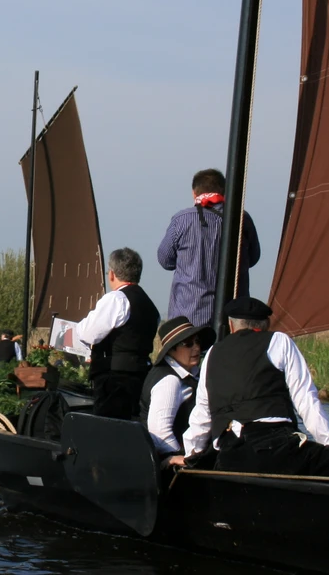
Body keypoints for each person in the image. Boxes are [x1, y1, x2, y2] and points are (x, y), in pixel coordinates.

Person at [173, 296, 329, 479]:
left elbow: (202, 415)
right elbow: (306, 399)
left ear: (232, 326)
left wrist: (192, 455)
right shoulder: (279, 341)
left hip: (231, 455)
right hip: (278, 450)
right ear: (266, 324)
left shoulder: (212, 354)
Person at [156, 169, 261, 331]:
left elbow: (165, 260)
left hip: (189, 314)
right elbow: (253, 258)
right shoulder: (242, 218)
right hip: (233, 315)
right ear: (224, 191)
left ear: (194, 193)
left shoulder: (182, 220)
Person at [75, 247, 160, 420]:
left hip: (115, 380)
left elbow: (87, 333)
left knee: (109, 429)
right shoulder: (151, 307)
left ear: (112, 274)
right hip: (141, 376)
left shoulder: (117, 299)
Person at [141, 316, 215, 460]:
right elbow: (160, 433)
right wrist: (181, 459)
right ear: (171, 350)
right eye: (188, 344)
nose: (196, 348)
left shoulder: (189, 374)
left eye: (197, 342)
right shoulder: (169, 381)